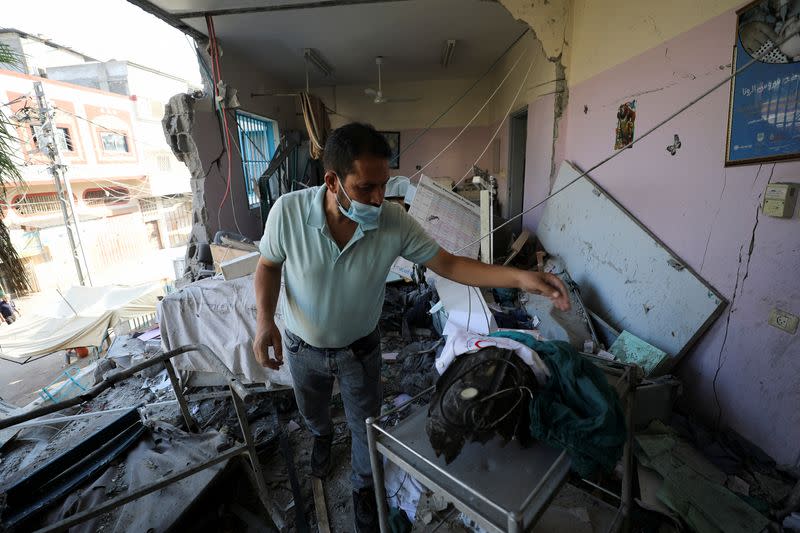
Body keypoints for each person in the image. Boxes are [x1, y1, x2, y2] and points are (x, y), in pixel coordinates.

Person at [252, 122, 569, 532]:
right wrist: (264, 320)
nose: (379, 198)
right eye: (366, 188)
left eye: (384, 185)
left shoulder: (392, 223)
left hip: (359, 351)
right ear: (332, 181)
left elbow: (450, 264)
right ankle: (321, 436)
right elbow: (267, 265)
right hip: (301, 348)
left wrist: (520, 278)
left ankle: (364, 487)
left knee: (365, 424)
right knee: (312, 410)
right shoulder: (288, 214)